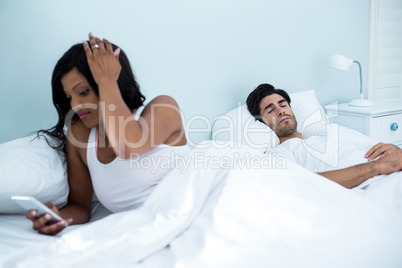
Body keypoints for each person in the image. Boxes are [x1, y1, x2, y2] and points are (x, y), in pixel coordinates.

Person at [27, 33, 189, 235]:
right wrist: (56, 218)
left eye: (83, 91)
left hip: (192, 213)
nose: (75, 105)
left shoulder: (163, 108)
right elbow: (80, 207)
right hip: (142, 230)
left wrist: (105, 78)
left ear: (112, 80)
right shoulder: (80, 136)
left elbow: (128, 146)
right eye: (69, 97)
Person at [246, 83, 402, 189]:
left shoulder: (328, 132)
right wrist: (376, 167)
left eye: (283, 104)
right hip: (378, 182)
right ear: (263, 122)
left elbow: (375, 145)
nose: (280, 111)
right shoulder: (281, 153)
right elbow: (299, 186)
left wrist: (394, 149)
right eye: (270, 110)